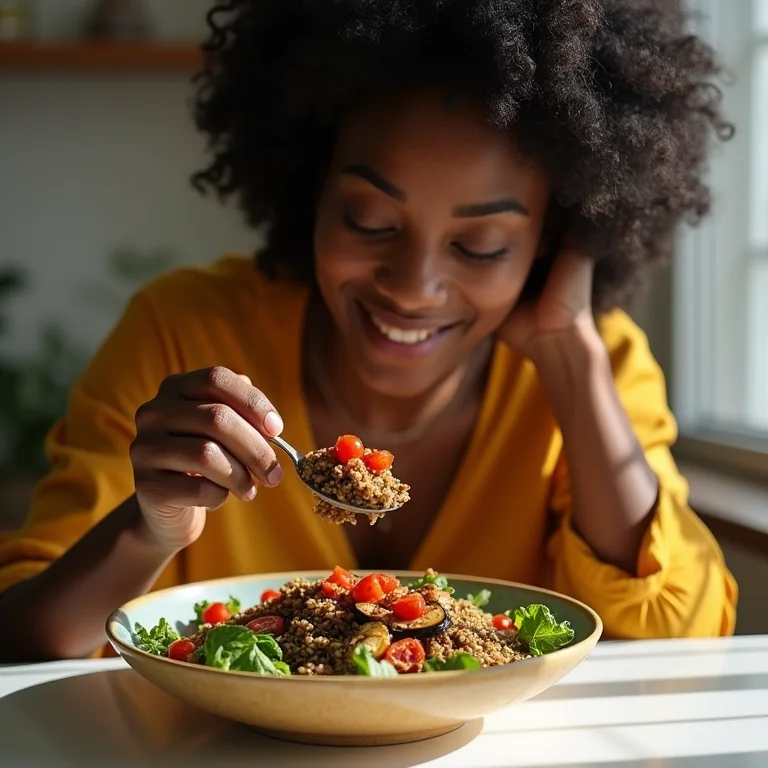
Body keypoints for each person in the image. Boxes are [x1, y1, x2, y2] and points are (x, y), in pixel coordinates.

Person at [0, 0, 737, 662]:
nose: (412, 287)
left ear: (551, 239)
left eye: (480, 246)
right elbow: (26, 640)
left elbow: (683, 649)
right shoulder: (184, 330)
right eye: (370, 220)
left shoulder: (595, 362)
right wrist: (150, 529)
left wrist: (570, 359)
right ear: (308, 185)